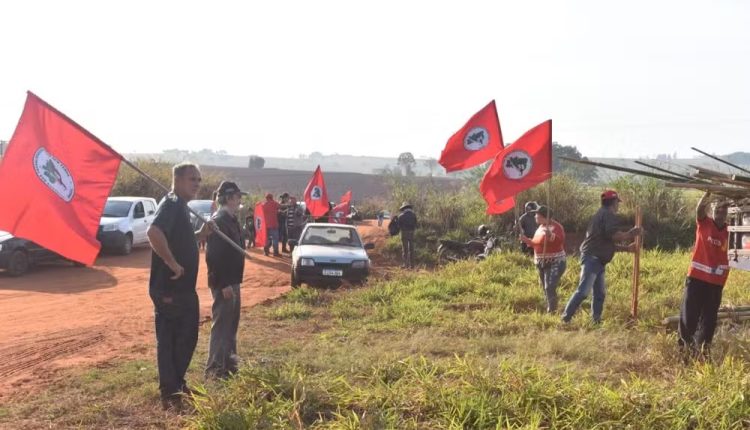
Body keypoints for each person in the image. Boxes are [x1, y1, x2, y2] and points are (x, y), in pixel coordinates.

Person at [146, 162, 213, 410]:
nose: (196, 184)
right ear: (177, 180)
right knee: (172, 339)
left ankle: (176, 383)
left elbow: (181, 240)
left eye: (198, 180)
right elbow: (154, 233)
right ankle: (170, 392)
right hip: (169, 287)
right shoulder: (172, 204)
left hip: (183, 288)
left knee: (186, 337)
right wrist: (172, 263)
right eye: (192, 179)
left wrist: (201, 233)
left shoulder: (182, 207)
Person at [561, 190, 641, 324]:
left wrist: (627, 248)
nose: (618, 206)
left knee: (599, 294)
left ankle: (595, 321)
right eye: (617, 203)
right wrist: (631, 233)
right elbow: (614, 236)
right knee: (583, 292)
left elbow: (606, 242)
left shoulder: (600, 215)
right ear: (614, 202)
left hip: (597, 260)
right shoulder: (608, 215)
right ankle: (565, 319)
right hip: (593, 259)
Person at [678, 192, 730, 359]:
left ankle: (701, 353)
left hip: (716, 284)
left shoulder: (730, 232)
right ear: (712, 210)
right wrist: (708, 193)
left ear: (727, 213)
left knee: (708, 321)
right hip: (696, 280)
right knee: (689, 316)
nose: (720, 213)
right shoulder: (704, 223)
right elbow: (699, 209)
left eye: (723, 210)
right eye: (717, 209)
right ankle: (684, 350)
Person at [205, 181, 247, 379]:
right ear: (230, 198)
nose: (240, 200)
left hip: (233, 280)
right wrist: (223, 284)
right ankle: (215, 371)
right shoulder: (219, 221)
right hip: (225, 283)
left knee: (231, 325)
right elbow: (213, 256)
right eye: (238, 196)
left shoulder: (231, 219)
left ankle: (229, 365)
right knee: (222, 326)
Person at [519, 206, 567, 313]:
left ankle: (552, 311)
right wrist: (526, 240)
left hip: (555, 262)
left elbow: (559, 241)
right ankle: (550, 307)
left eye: (537, 215)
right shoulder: (540, 227)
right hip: (541, 263)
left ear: (545, 216)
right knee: (546, 288)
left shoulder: (556, 227)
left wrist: (551, 235)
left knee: (549, 287)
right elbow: (537, 243)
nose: (535, 216)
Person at [395, 202, 418, 269]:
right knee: (411, 249)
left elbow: (398, 226)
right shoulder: (413, 215)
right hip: (412, 232)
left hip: (404, 233)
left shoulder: (401, 216)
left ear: (403, 208)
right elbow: (416, 224)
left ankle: (406, 265)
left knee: (405, 249)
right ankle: (412, 265)